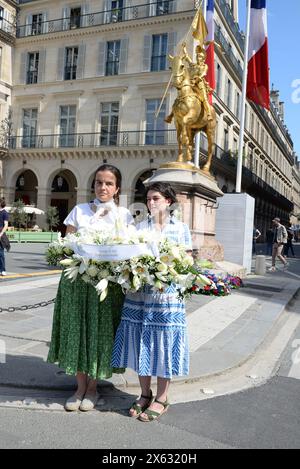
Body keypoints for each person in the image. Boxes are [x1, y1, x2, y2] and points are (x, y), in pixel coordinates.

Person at [47, 164, 134, 411]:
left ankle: (93, 389)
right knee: (77, 331)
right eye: (98, 182)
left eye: (108, 183)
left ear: (117, 188)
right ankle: (79, 387)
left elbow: (128, 250)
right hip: (76, 282)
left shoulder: (124, 215)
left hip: (107, 286)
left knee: (100, 334)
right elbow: (66, 244)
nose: (103, 187)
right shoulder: (79, 210)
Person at [112, 182, 192, 422]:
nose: (150, 202)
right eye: (148, 199)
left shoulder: (180, 228)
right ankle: (145, 394)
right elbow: (130, 255)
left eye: (155, 198)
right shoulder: (139, 227)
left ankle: (162, 397)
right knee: (141, 342)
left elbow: (186, 261)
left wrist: (168, 272)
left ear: (168, 201)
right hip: (140, 295)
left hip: (166, 296)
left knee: (163, 343)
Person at [0, 197, 9, 276]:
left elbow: (6, 225)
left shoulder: (5, 213)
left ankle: (3, 269)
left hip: (0, 234)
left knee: (0, 253)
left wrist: (1, 233)